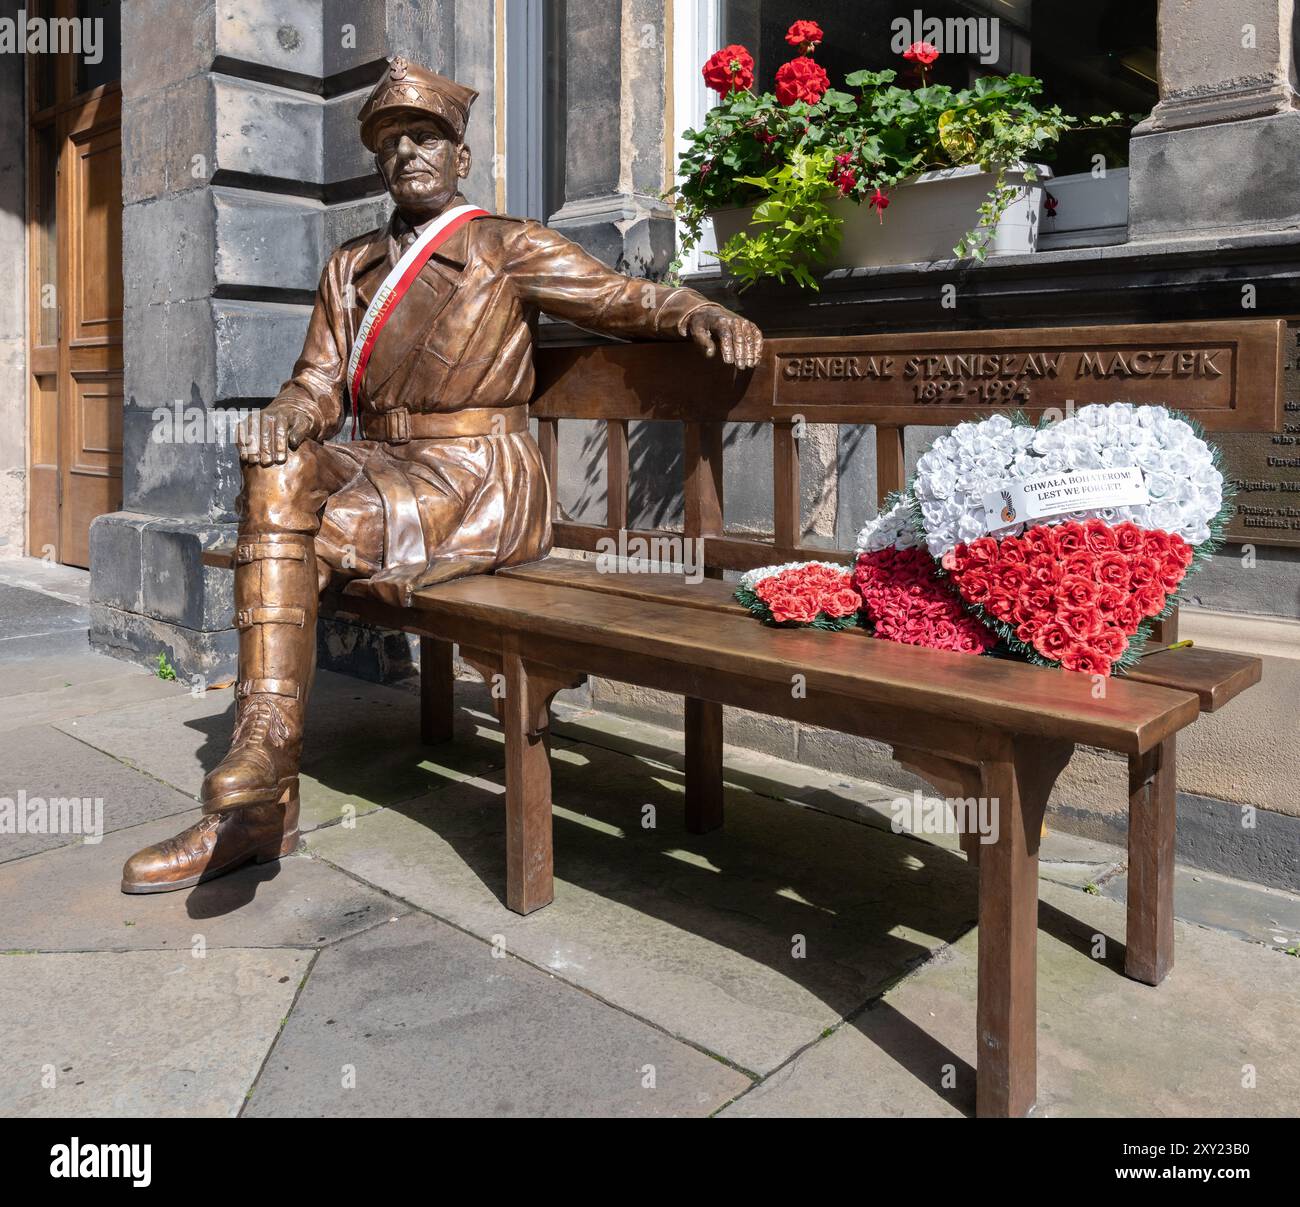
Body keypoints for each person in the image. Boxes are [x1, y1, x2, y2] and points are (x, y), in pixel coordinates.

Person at [121, 57, 763, 893]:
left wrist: (698, 308)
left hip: (474, 474)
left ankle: (253, 803)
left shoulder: (504, 245)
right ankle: (261, 753)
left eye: (427, 137)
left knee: (305, 531)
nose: (408, 153)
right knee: (277, 468)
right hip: (379, 461)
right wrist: (287, 413)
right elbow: (317, 381)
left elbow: (617, 299)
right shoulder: (349, 267)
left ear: (462, 157)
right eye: (391, 142)